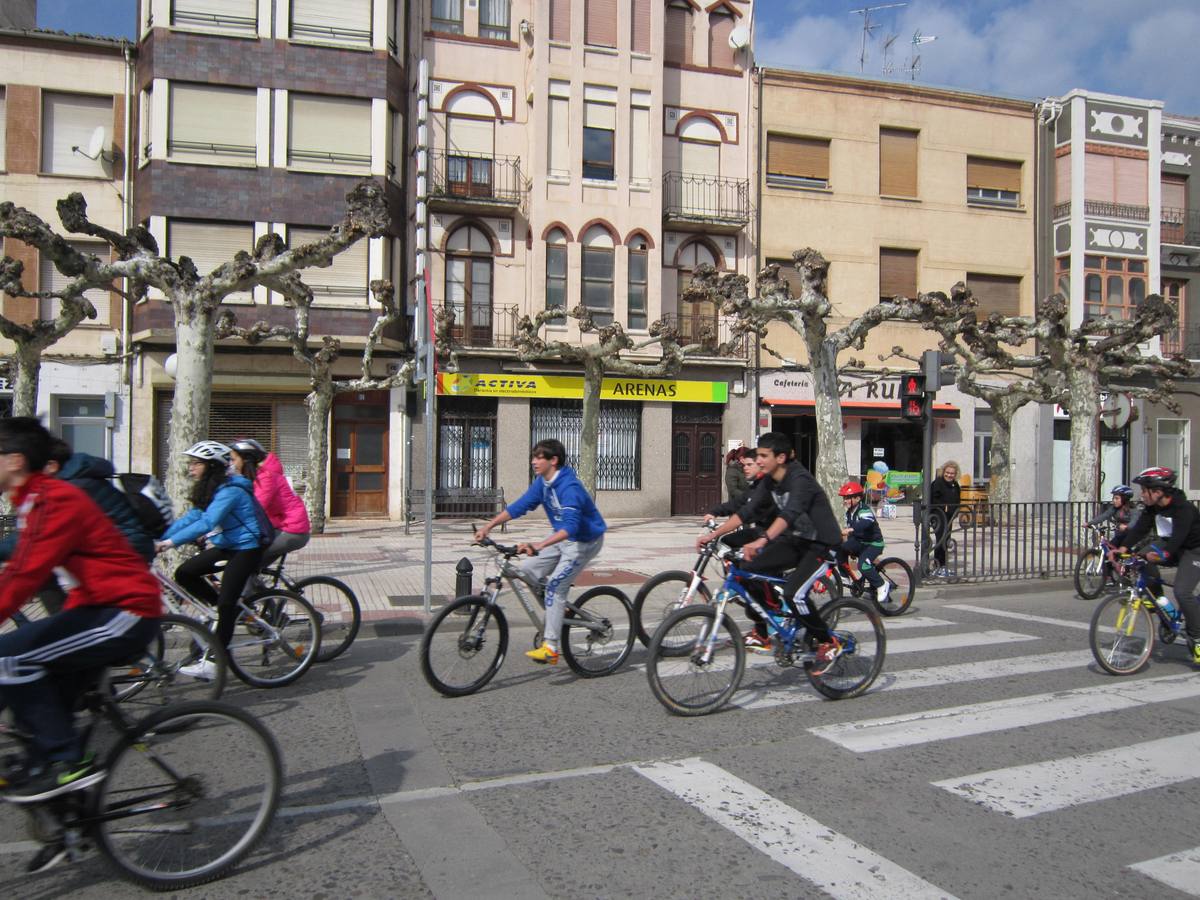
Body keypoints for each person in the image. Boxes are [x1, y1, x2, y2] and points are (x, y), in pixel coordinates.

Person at [0, 418, 160, 816]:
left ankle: (71, 762)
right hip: (94, 607)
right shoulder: (32, 499)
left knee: (9, 658)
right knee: (36, 696)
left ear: (16, 460)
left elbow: (24, 574)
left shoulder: (54, 499)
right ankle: (68, 819)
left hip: (126, 610)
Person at [699, 432, 844, 669]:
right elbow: (746, 511)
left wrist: (762, 540)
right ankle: (762, 630)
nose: (759, 460)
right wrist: (714, 535)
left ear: (781, 457)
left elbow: (790, 514)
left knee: (794, 594)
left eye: (764, 456)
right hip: (796, 541)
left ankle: (829, 641)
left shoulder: (800, 480)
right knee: (745, 571)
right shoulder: (769, 480)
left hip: (822, 544)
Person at [474, 439, 606, 666]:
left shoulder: (569, 487)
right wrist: (489, 526)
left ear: (553, 461)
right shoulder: (543, 483)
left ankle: (551, 647)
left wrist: (539, 545)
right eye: (533, 457)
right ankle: (556, 608)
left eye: (539, 457)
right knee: (525, 571)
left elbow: (571, 527)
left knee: (555, 586)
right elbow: (520, 505)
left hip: (583, 542)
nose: (533, 461)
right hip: (562, 539)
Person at [155, 440, 269, 679]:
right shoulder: (213, 489)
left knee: (227, 604)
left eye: (196, 463)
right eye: (191, 463)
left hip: (247, 548)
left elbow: (207, 523)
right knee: (185, 573)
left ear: (211, 466)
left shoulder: (231, 491)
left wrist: (169, 544)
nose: (191, 468)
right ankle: (221, 609)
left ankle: (216, 662)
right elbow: (193, 517)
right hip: (227, 546)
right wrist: (159, 538)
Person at [1114, 466, 1200, 664]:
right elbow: (1140, 529)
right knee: (1140, 558)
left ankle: (1196, 639)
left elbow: (1180, 536)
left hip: (1193, 550)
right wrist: (1124, 547)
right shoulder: (1153, 508)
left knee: (1182, 591)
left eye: (1144, 490)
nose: (1141, 495)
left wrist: (1164, 554)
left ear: (1158, 491)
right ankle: (1160, 601)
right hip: (1172, 545)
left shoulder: (1183, 508)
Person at [229, 438, 310, 569]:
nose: (231, 464)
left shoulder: (266, 478)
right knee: (250, 567)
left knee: (245, 561)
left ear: (246, 460)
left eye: (233, 460)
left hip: (292, 531)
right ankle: (257, 588)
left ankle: (247, 589)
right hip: (280, 526)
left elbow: (255, 509)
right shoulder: (256, 477)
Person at [836, 481, 889, 606]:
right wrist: (849, 547)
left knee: (863, 565)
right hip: (860, 542)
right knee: (840, 549)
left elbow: (867, 522)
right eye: (844, 498)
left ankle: (882, 585)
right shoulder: (849, 513)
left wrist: (852, 529)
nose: (845, 500)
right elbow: (849, 535)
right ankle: (844, 577)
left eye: (848, 498)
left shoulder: (863, 509)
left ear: (858, 498)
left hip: (874, 543)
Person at [1087, 484, 1140, 576]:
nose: (1113, 501)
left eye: (1116, 498)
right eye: (1113, 498)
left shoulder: (1132, 509)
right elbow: (1104, 516)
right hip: (1120, 535)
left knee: (1126, 556)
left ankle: (1128, 574)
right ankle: (1108, 578)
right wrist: (1090, 523)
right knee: (1108, 553)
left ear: (1124, 499)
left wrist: (1127, 526)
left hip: (1131, 537)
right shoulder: (1114, 509)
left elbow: (1135, 521)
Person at [929, 461, 961, 577]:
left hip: (949, 517)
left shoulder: (955, 484)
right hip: (938, 516)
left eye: (952, 473)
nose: (949, 475)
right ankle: (937, 566)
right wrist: (945, 507)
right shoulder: (938, 483)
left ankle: (942, 566)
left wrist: (956, 510)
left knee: (946, 541)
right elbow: (934, 499)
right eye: (947, 472)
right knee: (940, 540)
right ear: (943, 472)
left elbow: (958, 498)